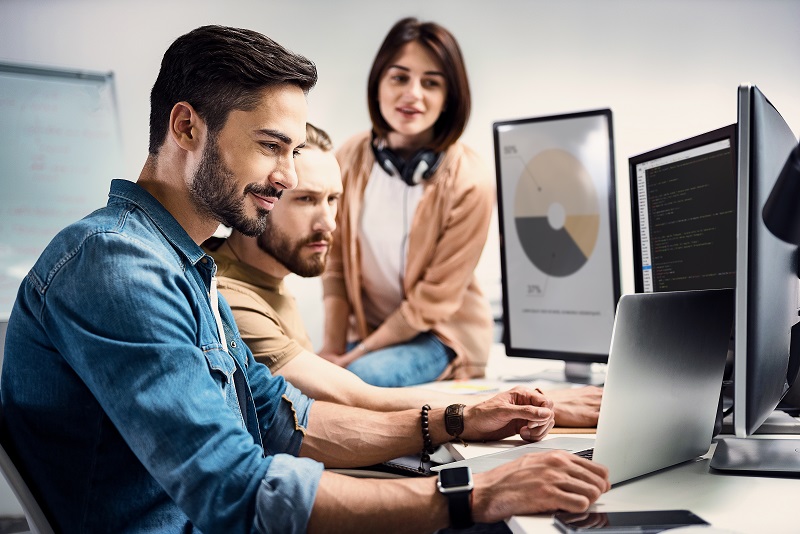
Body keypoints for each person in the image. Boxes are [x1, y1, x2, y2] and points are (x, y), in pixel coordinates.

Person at [1, 25, 608, 533]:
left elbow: (282, 421)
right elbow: (237, 490)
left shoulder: (185, 262)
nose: (287, 177)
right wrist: (474, 494)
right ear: (186, 128)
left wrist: (455, 423)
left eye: (294, 151)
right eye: (271, 146)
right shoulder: (117, 266)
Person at [207, 122, 603, 428]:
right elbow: (355, 397)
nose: (330, 223)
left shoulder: (269, 279)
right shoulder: (228, 296)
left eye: (333, 200)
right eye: (307, 200)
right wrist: (536, 404)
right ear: (261, 196)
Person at [320, 17, 495, 387]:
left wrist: (354, 357)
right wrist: (331, 351)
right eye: (399, 77)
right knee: (304, 381)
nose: (413, 94)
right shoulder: (349, 156)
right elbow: (333, 263)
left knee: (354, 381)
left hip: (440, 334)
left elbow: (433, 301)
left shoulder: (472, 181)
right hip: (371, 331)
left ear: (449, 98)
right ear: (378, 84)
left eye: (431, 83)